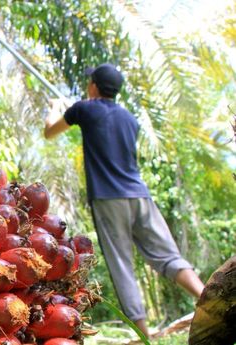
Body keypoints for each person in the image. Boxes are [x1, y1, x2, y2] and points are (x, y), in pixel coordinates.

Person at [43, 63, 205, 338]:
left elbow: (49, 131)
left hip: (109, 199)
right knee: (168, 256)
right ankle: (209, 298)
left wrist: (55, 108)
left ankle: (143, 336)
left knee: (122, 265)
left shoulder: (83, 108)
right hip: (140, 196)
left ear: (93, 86)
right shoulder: (130, 120)